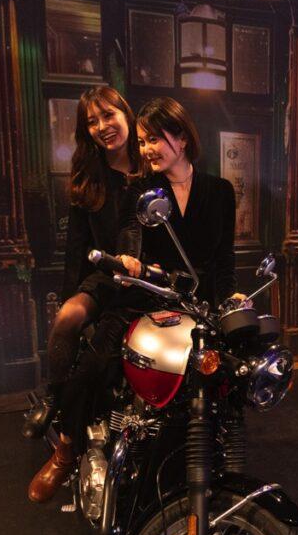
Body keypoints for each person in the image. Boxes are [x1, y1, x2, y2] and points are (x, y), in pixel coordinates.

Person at [27, 97, 240, 503]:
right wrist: (131, 260)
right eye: (142, 142)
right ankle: (66, 449)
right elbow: (131, 233)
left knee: (229, 375)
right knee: (93, 366)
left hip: (197, 305)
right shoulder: (142, 190)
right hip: (147, 297)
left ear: (181, 138)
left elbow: (224, 260)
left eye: (154, 139)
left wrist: (230, 295)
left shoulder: (220, 191)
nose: (147, 149)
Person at [22, 86, 148, 440]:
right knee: (67, 317)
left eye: (108, 115)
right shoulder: (88, 173)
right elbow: (75, 246)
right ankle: (52, 398)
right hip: (105, 274)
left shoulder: (150, 166)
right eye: (92, 121)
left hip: (149, 277)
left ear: (126, 114)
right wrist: (71, 295)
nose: (102, 126)